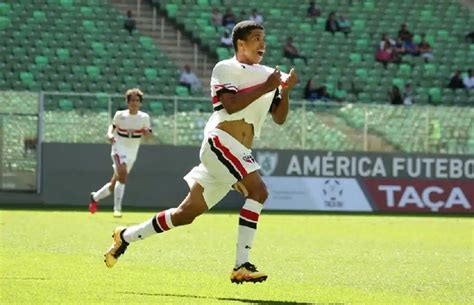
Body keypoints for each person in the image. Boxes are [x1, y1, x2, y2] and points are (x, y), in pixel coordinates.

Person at [103, 20, 298, 284]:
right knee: (259, 191)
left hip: (235, 152)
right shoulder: (225, 68)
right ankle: (242, 264)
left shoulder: (269, 75)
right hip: (221, 142)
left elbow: (280, 118)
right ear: (240, 43)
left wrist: (283, 91)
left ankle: (124, 236)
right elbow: (229, 105)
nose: (263, 44)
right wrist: (268, 85)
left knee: (185, 214)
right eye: (256, 38)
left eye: (264, 39)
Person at [88, 89, 152, 217]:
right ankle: (117, 209)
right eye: (132, 100)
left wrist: (147, 133)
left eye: (137, 100)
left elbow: (148, 136)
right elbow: (112, 126)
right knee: (122, 174)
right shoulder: (120, 115)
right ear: (127, 102)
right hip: (118, 148)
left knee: (114, 184)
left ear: (140, 103)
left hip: (132, 152)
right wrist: (110, 134)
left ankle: (95, 198)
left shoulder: (144, 117)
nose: (134, 103)